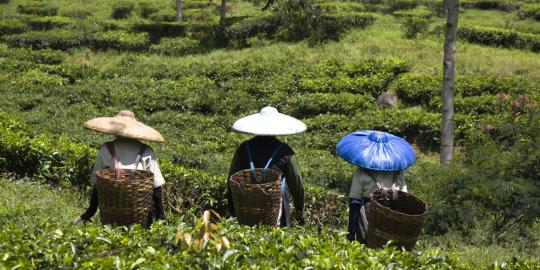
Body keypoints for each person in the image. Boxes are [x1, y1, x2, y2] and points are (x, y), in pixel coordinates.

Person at [74, 110, 166, 226]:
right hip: (141, 215)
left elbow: (98, 184)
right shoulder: (147, 151)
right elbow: (156, 187)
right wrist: (161, 217)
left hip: (112, 212)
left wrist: (89, 213)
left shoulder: (106, 149)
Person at [227, 106, 306, 227]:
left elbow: (231, 178)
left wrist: (231, 206)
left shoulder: (243, 149)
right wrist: (299, 208)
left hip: (246, 202)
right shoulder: (285, 152)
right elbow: (296, 183)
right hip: (275, 203)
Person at [336, 130, 416, 243]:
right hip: (392, 212)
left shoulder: (361, 171)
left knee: (366, 245)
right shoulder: (397, 172)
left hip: (369, 210)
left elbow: (355, 201)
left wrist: (351, 233)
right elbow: (405, 196)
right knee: (388, 246)